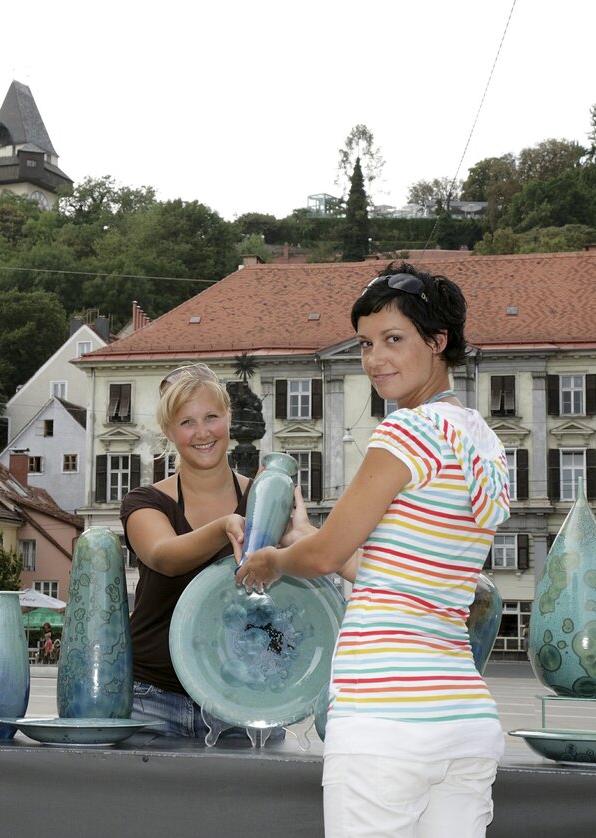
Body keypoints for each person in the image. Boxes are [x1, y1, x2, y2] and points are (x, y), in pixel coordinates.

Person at [235, 263, 511, 837]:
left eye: (394, 340)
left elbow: (324, 560)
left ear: (438, 343)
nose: (375, 359)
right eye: (365, 343)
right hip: (464, 718)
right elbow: (391, 569)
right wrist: (301, 536)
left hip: (387, 717)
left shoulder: (407, 431)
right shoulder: (482, 442)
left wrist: (273, 560)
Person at [120, 364, 256, 737]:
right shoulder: (145, 501)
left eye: (211, 417)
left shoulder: (264, 495)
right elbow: (165, 556)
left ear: (229, 418)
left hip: (245, 698)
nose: (202, 433)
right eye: (186, 422)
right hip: (151, 696)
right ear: (168, 431)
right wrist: (225, 526)